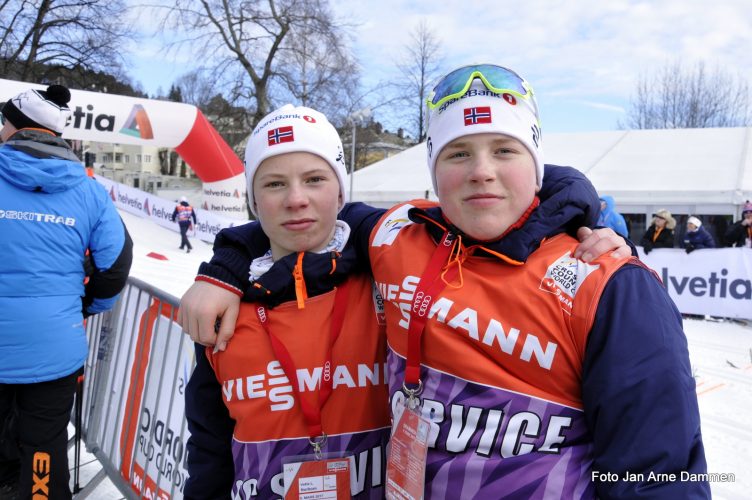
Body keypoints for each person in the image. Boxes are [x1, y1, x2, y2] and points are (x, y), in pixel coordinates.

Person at [179, 67, 696, 499]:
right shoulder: (397, 239)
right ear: (433, 169)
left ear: (537, 165)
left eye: (505, 150)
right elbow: (301, 223)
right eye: (457, 154)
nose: (481, 172)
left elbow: (657, 474)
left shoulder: (608, 284)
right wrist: (224, 267)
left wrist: (580, 197)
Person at [183, 105, 392, 498]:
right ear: (254, 201)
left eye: (314, 179)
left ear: (341, 192)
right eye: (274, 184)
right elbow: (210, 444)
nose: (296, 199)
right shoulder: (223, 306)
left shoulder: (389, 280)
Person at [0, 84, 133, 499]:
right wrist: (86, 306)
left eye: (4, 121)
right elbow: (116, 263)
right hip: (55, 344)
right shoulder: (89, 190)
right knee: (44, 448)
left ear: (17, 127)